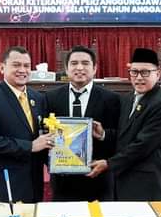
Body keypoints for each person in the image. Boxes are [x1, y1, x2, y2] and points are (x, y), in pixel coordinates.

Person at [87, 48, 161, 202]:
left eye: (145, 72)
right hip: (125, 180)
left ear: (158, 73)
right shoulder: (127, 99)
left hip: (148, 184)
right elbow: (126, 134)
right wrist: (103, 134)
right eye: (134, 72)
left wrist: (109, 164)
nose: (139, 77)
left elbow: (143, 145)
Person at [0, 46, 55, 203]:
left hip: (33, 182)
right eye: (16, 65)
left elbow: (42, 136)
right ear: (2, 67)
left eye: (27, 66)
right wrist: (30, 146)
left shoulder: (38, 98)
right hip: (3, 184)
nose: (22, 70)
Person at [45, 45, 121, 201]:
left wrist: (103, 135)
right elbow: (42, 135)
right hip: (62, 182)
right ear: (66, 69)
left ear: (95, 69)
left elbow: (120, 136)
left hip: (98, 179)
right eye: (74, 63)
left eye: (85, 63)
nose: (79, 68)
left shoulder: (112, 99)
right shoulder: (50, 98)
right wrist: (52, 162)